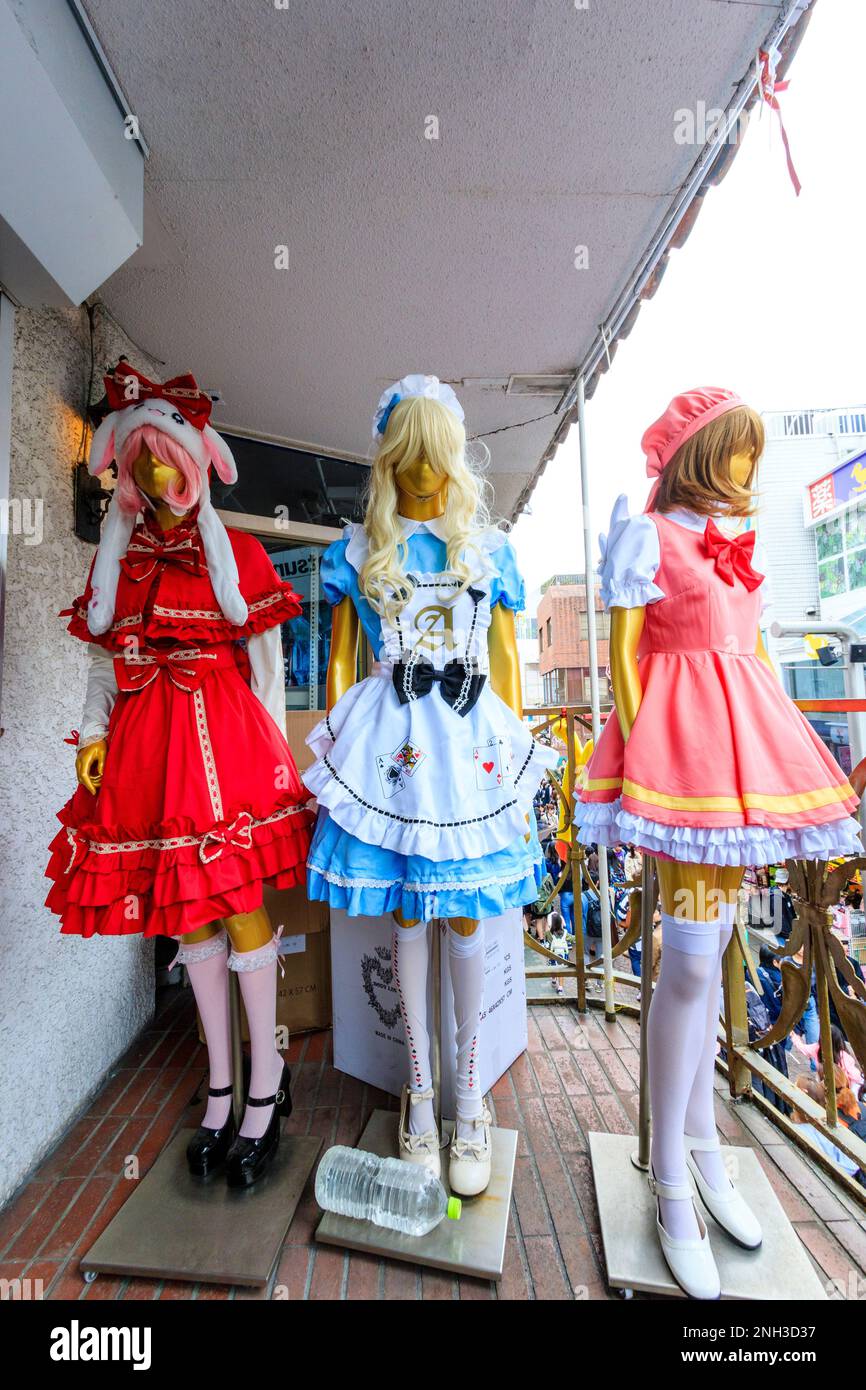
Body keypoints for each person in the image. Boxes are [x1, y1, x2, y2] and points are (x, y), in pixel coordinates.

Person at [577, 387, 860, 1299]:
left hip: (742, 759)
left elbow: (758, 658)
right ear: (699, 455)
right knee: (693, 963)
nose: (747, 467)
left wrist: (785, 744)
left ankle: (700, 1152)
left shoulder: (731, 552)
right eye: (735, 450)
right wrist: (644, 757)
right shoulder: (648, 537)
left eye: (752, 453)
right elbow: (625, 661)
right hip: (680, 764)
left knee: (706, 955)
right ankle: (668, 1184)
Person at [45, 364, 314, 1187]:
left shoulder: (232, 553)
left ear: (195, 464)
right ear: (130, 471)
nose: (162, 477)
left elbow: (265, 664)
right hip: (148, 752)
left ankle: (268, 1082)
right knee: (187, 917)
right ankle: (222, 1087)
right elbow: (103, 658)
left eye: (172, 462)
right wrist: (94, 733)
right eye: (148, 464)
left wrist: (268, 753)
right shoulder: (120, 564)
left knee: (236, 906)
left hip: (225, 749)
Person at [302, 375, 558, 1196]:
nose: (419, 472)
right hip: (393, 749)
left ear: (450, 455)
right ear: (389, 460)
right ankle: (420, 1089)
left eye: (431, 455)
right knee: (411, 910)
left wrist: (517, 768)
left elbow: (510, 668)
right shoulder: (358, 550)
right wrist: (332, 760)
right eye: (404, 456)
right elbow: (344, 664)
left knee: (468, 914)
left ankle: (469, 1095)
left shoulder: (490, 549)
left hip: (472, 744)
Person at [545, 910, 573, 995]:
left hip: (553, 954)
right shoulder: (565, 933)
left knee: (553, 968)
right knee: (561, 969)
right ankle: (560, 988)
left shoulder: (549, 933)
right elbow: (572, 938)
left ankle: (553, 980)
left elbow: (547, 943)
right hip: (563, 954)